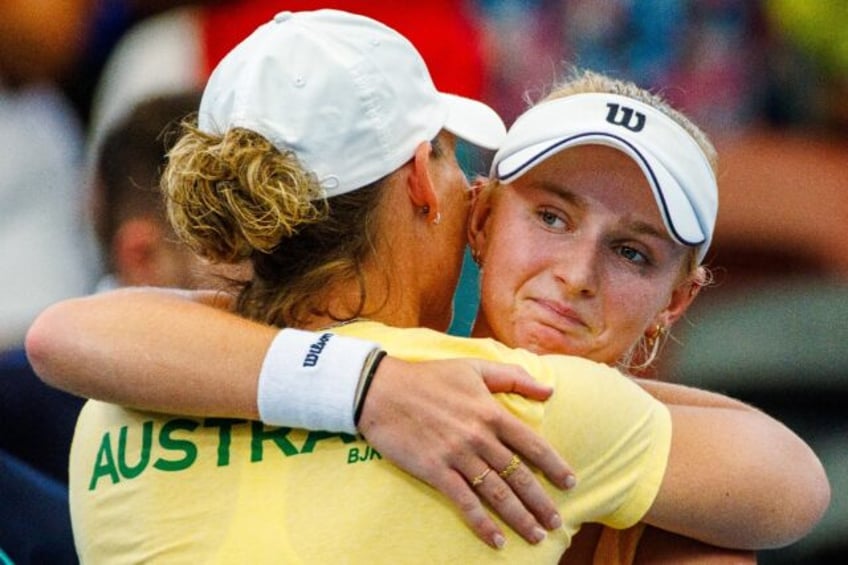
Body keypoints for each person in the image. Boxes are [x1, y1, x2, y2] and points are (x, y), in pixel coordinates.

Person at [25, 9, 829, 562]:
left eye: (633, 252)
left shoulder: (120, 404)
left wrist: (369, 382)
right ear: (433, 187)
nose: (576, 276)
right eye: (549, 216)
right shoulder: (522, 412)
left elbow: (66, 333)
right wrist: (385, 384)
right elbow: (791, 484)